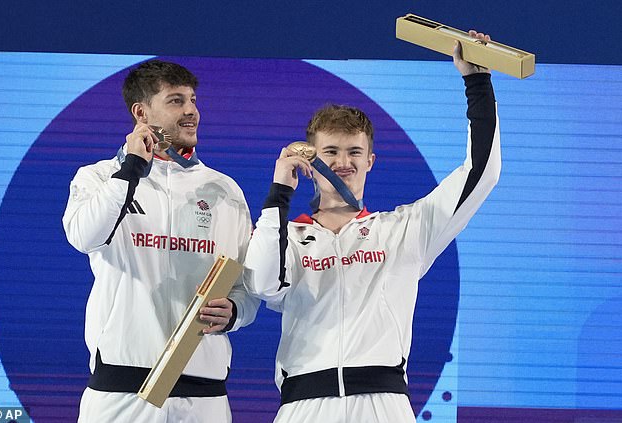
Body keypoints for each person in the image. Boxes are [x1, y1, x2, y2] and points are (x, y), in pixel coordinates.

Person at [243, 31, 500, 422]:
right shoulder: (287, 238)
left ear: (371, 161)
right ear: (311, 160)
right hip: (304, 407)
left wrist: (476, 82)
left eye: (354, 152)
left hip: (383, 405)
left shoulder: (403, 230)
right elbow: (261, 283)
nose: (342, 162)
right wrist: (279, 192)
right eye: (330, 152)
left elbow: (480, 173)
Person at [63, 60, 260, 422]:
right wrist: (130, 171)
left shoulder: (224, 190)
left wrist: (235, 313)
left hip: (204, 396)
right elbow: (82, 236)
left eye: (193, 100)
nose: (191, 111)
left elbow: (246, 285)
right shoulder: (99, 177)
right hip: (121, 393)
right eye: (175, 101)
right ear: (141, 112)